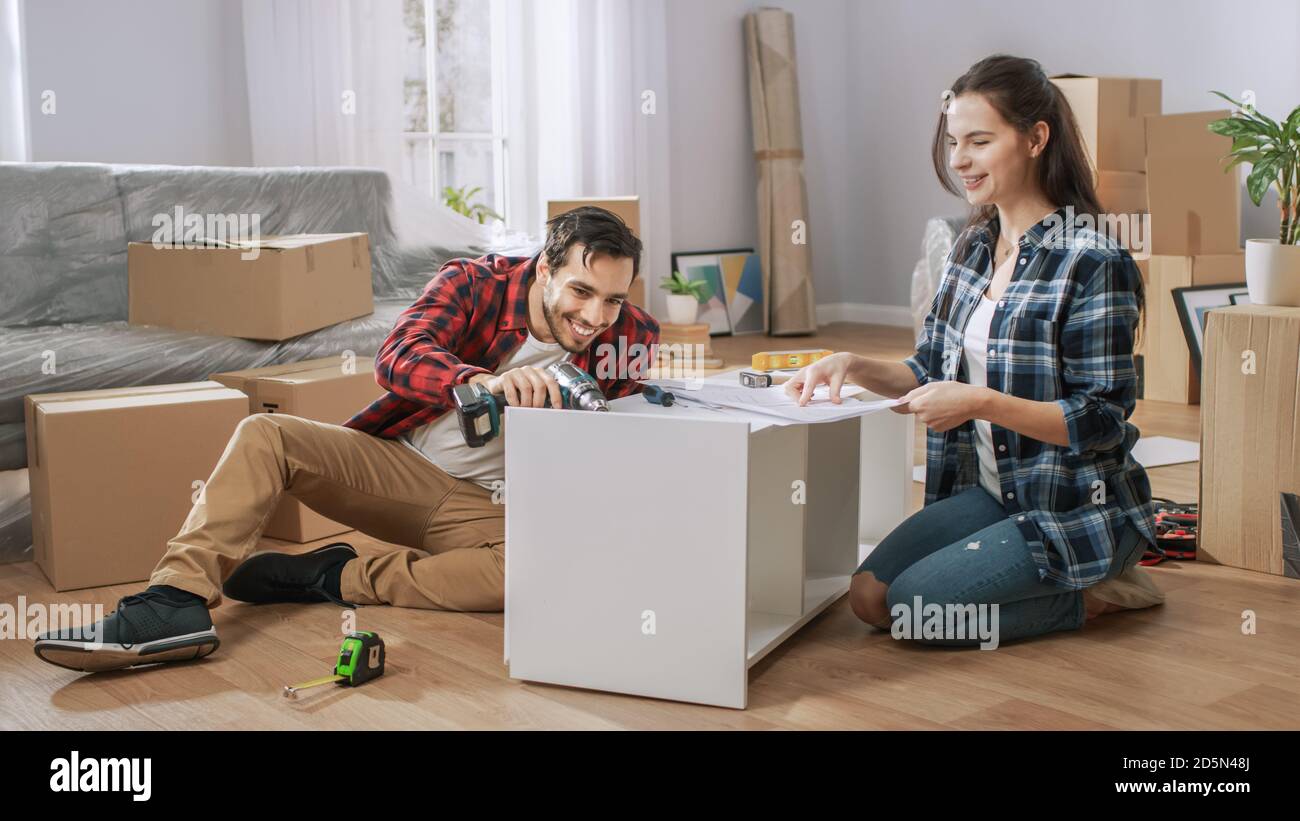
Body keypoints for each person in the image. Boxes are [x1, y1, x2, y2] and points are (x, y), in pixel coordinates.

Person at [35, 206, 659, 672]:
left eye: (612, 299)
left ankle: (339, 578)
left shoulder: (633, 335)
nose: (595, 317)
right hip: (401, 467)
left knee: (537, 575)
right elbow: (399, 357)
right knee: (266, 433)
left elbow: (616, 451)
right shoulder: (474, 283)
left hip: (495, 507)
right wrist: (483, 384)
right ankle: (174, 599)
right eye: (581, 291)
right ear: (545, 268)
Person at [787, 55, 1164, 647]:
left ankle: (1096, 591)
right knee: (867, 598)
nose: (959, 160)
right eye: (954, 141)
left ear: (1037, 138)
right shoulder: (971, 249)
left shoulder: (1092, 260)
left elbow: (1101, 421)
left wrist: (981, 402)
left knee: (916, 612)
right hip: (993, 492)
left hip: (1068, 507)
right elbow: (926, 371)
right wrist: (852, 363)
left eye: (980, 141)